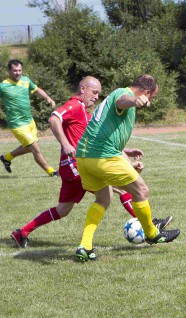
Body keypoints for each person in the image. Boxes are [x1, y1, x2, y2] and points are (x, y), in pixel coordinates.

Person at [10, 76, 172, 248]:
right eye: (94, 92)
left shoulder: (88, 114)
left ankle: (22, 232)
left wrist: (126, 152)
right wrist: (65, 144)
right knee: (121, 189)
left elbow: (99, 140)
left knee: (63, 209)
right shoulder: (74, 105)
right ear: (82, 89)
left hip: (76, 164)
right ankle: (150, 226)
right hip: (76, 164)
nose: (96, 97)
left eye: (98, 94)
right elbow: (54, 119)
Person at [74, 74, 180, 261]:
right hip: (102, 156)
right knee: (141, 190)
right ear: (146, 92)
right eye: (152, 97)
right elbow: (122, 101)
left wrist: (127, 157)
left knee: (103, 198)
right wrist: (134, 100)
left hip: (84, 157)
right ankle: (153, 234)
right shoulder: (123, 94)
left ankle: (85, 246)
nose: (151, 101)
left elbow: (108, 135)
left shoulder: (118, 99)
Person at [0, 59, 58, 177]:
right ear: (9, 71)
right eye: (15, 70)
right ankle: (51, 172)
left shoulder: (26, 81)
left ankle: (6, 158)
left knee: (29, 148)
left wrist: (48, 98)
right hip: (17, 125)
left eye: (20, 70)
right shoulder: (3, 86)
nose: (18, 73)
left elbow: (36, 90)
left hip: (30, 122)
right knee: (35, 149)